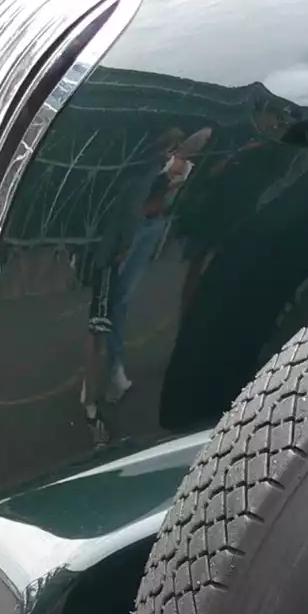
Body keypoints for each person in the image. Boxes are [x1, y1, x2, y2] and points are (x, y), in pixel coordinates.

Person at [82, 126, 212, 418]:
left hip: (153, 225)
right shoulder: (149, 162)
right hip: (134, 229)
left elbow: (196, 149)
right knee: (112, 303)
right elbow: (138, 186)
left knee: (121, 299)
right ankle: (108, 373)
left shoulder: (182, 169)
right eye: (170, 145)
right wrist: (125, 242)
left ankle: (111, 371)